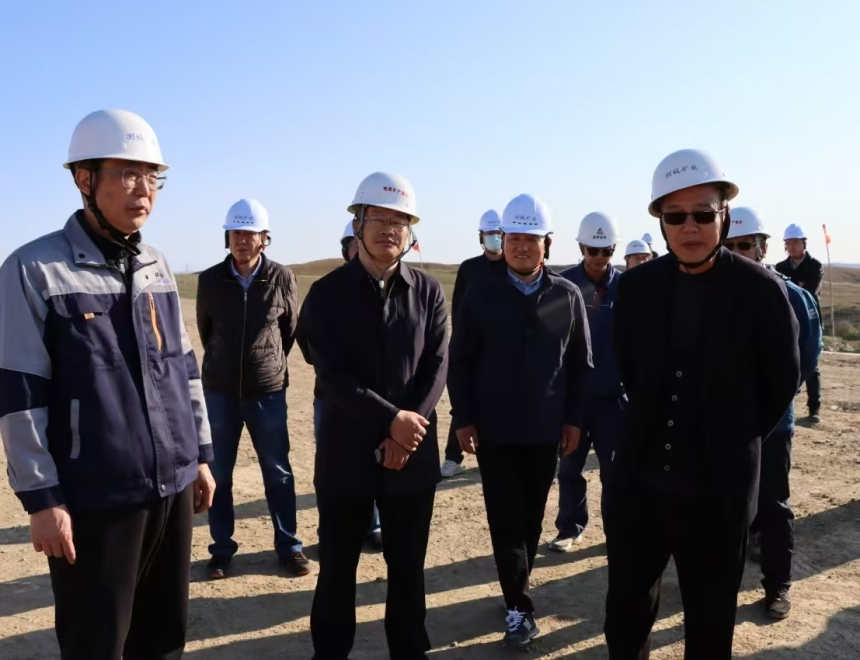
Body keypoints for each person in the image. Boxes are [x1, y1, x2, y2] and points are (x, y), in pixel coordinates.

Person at [0, 109, 215, 660]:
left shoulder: (157, 265)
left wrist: (200, 456)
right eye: (127, 174)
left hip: (170, 490)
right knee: (97, 644)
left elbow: (183, 368)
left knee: (163, 639)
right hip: (94, 500)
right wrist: (42, 499)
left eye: (152, 176)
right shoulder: (33, 269)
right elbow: (20, 394)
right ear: (84, 178)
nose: (143, 189)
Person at [605, 148, 801, 659]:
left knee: (711, 623)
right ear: (661, 222)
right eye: (675, 216)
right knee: (625, 614)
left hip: (718, 493)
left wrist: (730, 436)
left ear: (724, 216)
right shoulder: (637, 288)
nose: (689, 227)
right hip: (640, 486)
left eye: (702, 214)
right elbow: (631, 369)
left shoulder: (762, 291)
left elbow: (781, 381)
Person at [301, 172, 448, 660]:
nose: (389, 229)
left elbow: (436, 367)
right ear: (358, 223)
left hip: (411, 456)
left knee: (407, 570)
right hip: (346, 455)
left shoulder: (428, 292)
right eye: (379, 219)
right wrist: (390, 421)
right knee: (337, 569)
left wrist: (405, 432)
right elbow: (331, 374)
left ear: (410, 231)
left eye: (399, 221)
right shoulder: (326, 294)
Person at [448, 194, 593, 646]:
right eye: (514, 238)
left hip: (545, 431)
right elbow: (461, 360)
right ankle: (519, 608)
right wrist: (464, 418)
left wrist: (574, 420)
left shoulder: (566, 295)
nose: (522, 247)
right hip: (495, 431)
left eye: (531, 239)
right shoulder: (482, 294)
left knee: (531, 519)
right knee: (505, 518)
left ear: (547, 243)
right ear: (503, 241)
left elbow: (580, 365)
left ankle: (516, 586)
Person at [196, 199, 308, 579]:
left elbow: (288, 331)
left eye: (249, 233)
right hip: (220, 393)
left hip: (267, 393)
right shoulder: (210, 280)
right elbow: (206, 330)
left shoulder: (282, 277)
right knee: (219, 474)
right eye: (235, 233)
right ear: (227, 237)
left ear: (264, 238)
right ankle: (221, 550)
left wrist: (266, 363)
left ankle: (289, 547)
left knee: (278, 472)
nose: (241, 240)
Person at [724, 206, 822, 620]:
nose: (737, 253)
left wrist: (773, 401)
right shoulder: (708, 296)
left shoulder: (792, 296)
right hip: (720, 425)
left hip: (772, 426)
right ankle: (719, 585)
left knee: (772, 506)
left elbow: (807, 355)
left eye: (745, 245)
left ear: (762, 247)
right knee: (722, 507)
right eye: (729, 245)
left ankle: (777, 584)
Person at [296, 219, 383, 552]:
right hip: (332, 399)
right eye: (353, 244)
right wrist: (327, 367)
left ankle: (374, 525)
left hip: (377, 400)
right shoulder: (327, 290)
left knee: (376, 463)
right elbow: (304, 337)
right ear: (346, 248)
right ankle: (329, 529)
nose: (360, 250)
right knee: (333, 468)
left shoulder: (387, 287)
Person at [549, 212, 623, 553]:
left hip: (613, 399)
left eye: (606, 251)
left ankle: (617, 531)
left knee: (614, 470)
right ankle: (570, 528)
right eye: (593, 250)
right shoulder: (562, 284)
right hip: (574, 400)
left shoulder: (626, 287)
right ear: (581, 248)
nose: (599, 257)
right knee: (570, 468)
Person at [440, 209, 507, 478]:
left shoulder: (513, 267)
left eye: (499, 234)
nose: (495, 239)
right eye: (490, 234)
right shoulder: (469, 269)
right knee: (463, 402)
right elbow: (458, 307)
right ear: (481, 237)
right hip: (471, 348)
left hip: (502, 350)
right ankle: (452, 458)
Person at [775, 224, 824, 424]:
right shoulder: (780, 268)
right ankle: (784, 404)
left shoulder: (815, 266)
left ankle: (814, 407)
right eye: (788, 243)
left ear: (804, 243)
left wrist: (794, 290)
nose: (791, 246)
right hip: (786, 321)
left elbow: (808, 292)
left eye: (795, 242)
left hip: (808, 320)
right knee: (785, 362)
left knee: (811, 364)